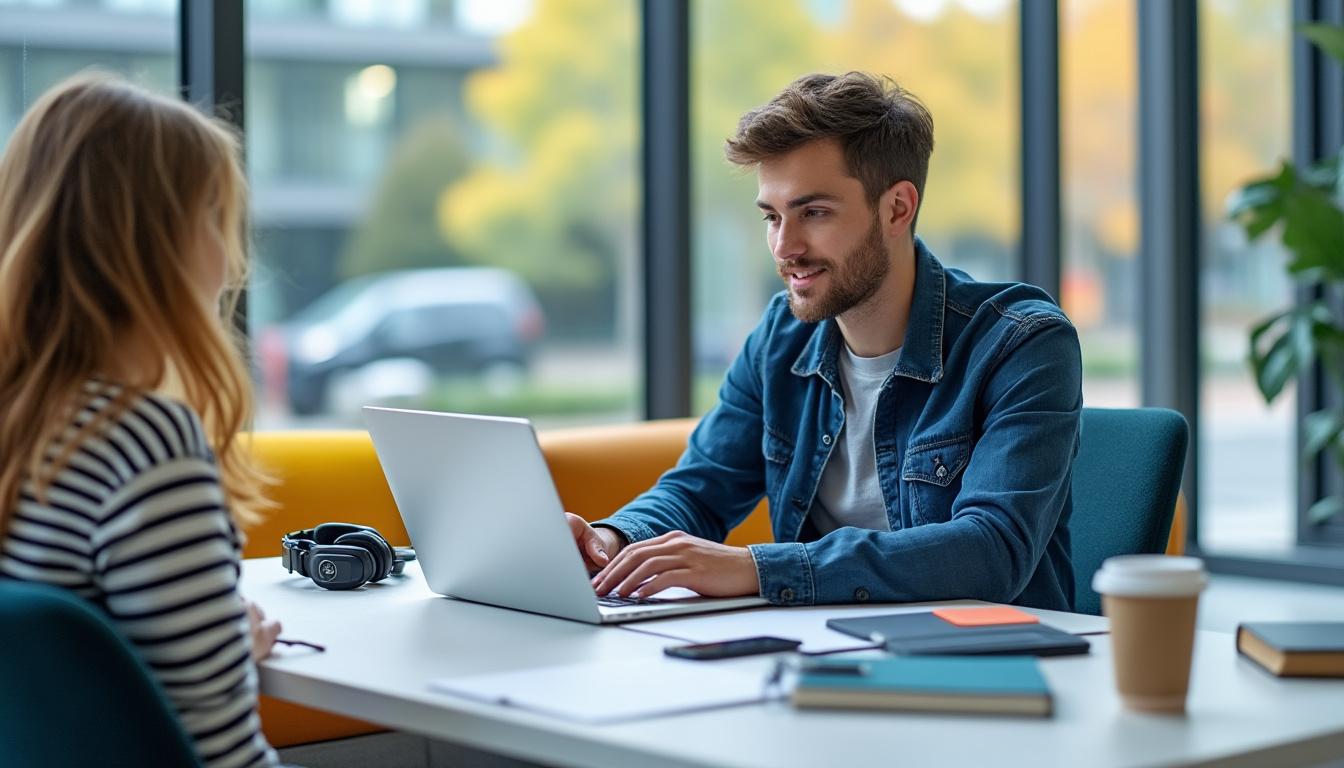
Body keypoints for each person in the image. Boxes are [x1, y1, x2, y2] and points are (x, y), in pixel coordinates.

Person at [572, 72, 1082, 612]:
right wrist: (610, 543)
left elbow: (990, 552)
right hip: (821, 649)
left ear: (897, 208)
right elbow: (699, 490)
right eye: (773, 217)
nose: (785, 246)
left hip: (987, 664)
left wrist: (759, 569)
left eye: (814, 213)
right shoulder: (781, 337)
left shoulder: (1021, 342)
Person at [0, 73, 283, 767]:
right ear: (158, 248)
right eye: (217, 219)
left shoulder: (23, 425)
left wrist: (206, 657)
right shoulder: (143, 443)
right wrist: (223, 679)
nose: (230, 259)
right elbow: (224, 757)